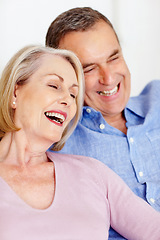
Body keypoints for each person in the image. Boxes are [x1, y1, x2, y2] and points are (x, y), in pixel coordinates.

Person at [0, 45, 160, 240]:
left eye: (73, 95)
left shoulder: (93, 173)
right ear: (15, 92)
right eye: (54, 86)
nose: (67, 100)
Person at [45, 7, 160, 239]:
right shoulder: (54, 142)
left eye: (114, 57)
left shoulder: (156, 99)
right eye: (89, 68)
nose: (108, 78)